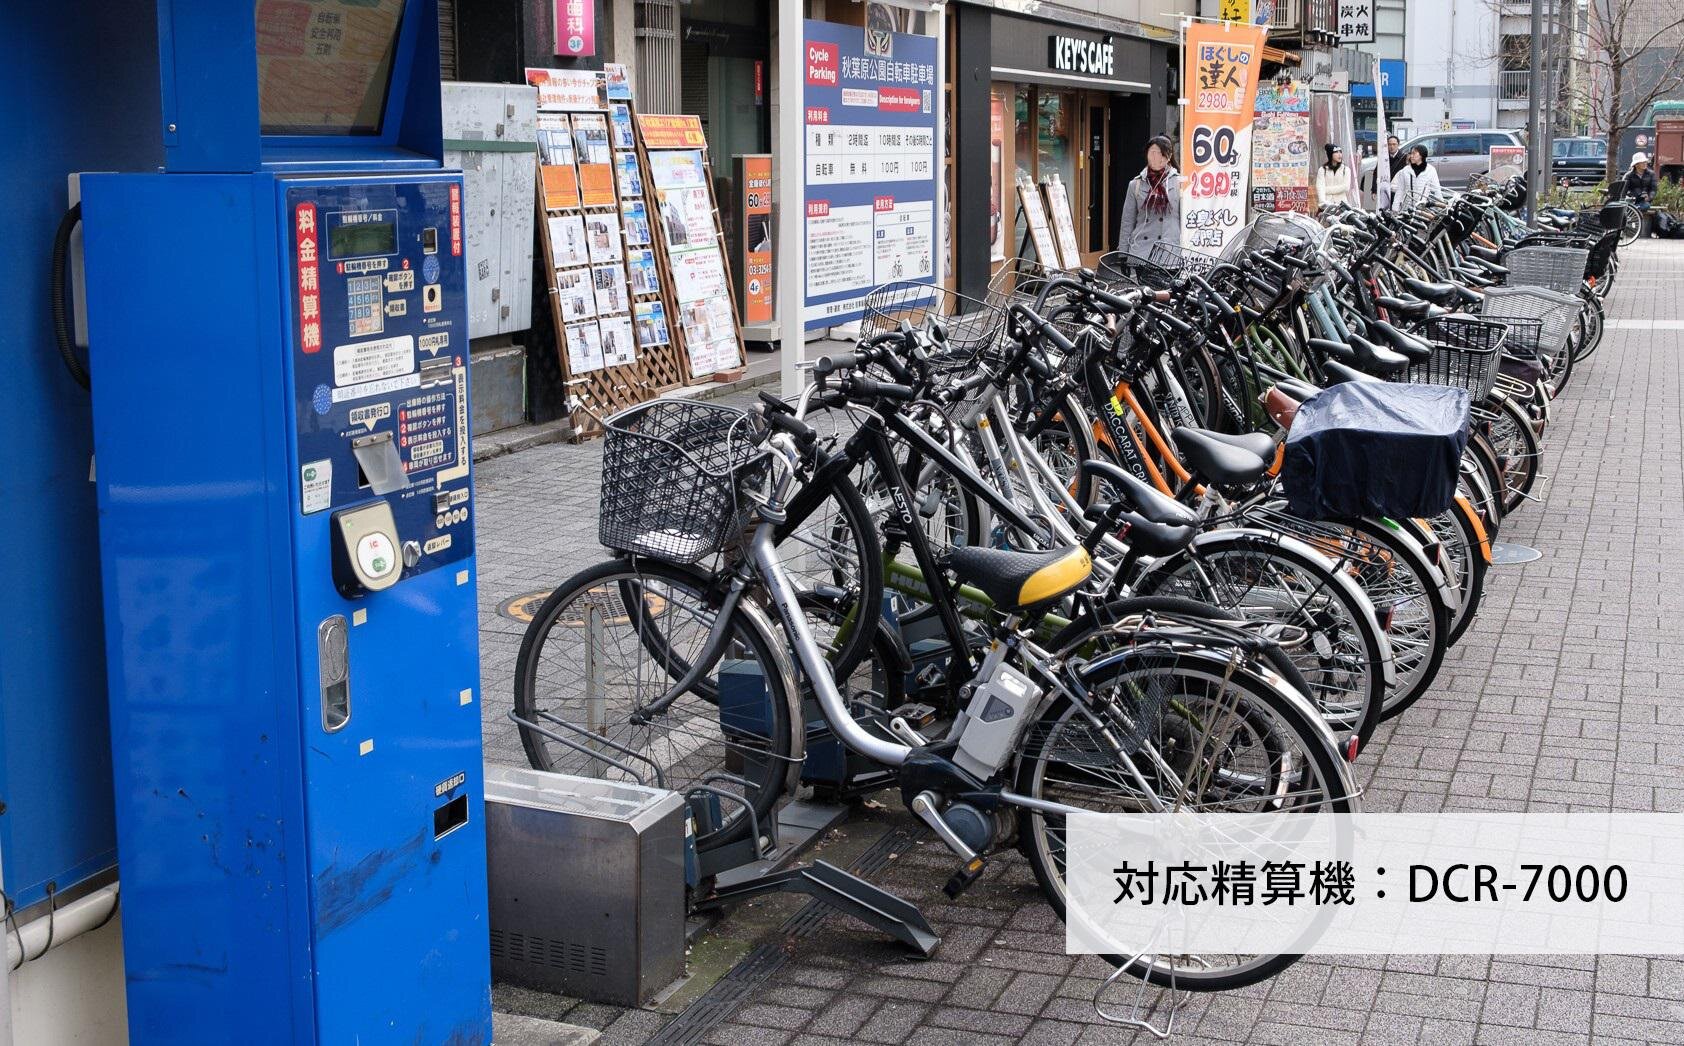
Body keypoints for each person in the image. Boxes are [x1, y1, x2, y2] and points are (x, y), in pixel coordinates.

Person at [1116, 135, 1181, 262]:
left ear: (1169, 156)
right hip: (1141, 252)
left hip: (1171, 253)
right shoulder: (1135, 184)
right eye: (1153, 153)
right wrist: (1123, 254)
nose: (1157, 158)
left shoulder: (1180, 183)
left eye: (1161, 154)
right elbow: (1127, 221)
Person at [1389, 145, 1441, 211]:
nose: (1411, 156)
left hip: (1423, 210)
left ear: (1422, 155)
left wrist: (1440, 207)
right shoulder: (1405, 171)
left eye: (1414, 153)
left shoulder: (1431, 170)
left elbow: (1437, 190)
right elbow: (1400, 191)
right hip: (1406, 209)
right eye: (1411, 153)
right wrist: (1395, 209)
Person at [1317, 144, 1353, 210]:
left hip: (1342, 205)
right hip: (1327, 204)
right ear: (1330, 154)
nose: (1339, 155)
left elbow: (1346, 187)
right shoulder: (1322, 169)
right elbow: (1320, 187)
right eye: (1336, 152)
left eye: (1340, 152)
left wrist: (1326, 190)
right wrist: (1322, 203)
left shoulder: (1346, 169)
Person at [1374, 134, 1404, 208]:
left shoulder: (1404, 158)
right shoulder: (1383, 158)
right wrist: (1374, 190)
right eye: (1389, 144)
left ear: (1398, 145)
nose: (1392, 146)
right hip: (1384, 190)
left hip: (1397, 190)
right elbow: (1376, 173)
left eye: (1394, 144)